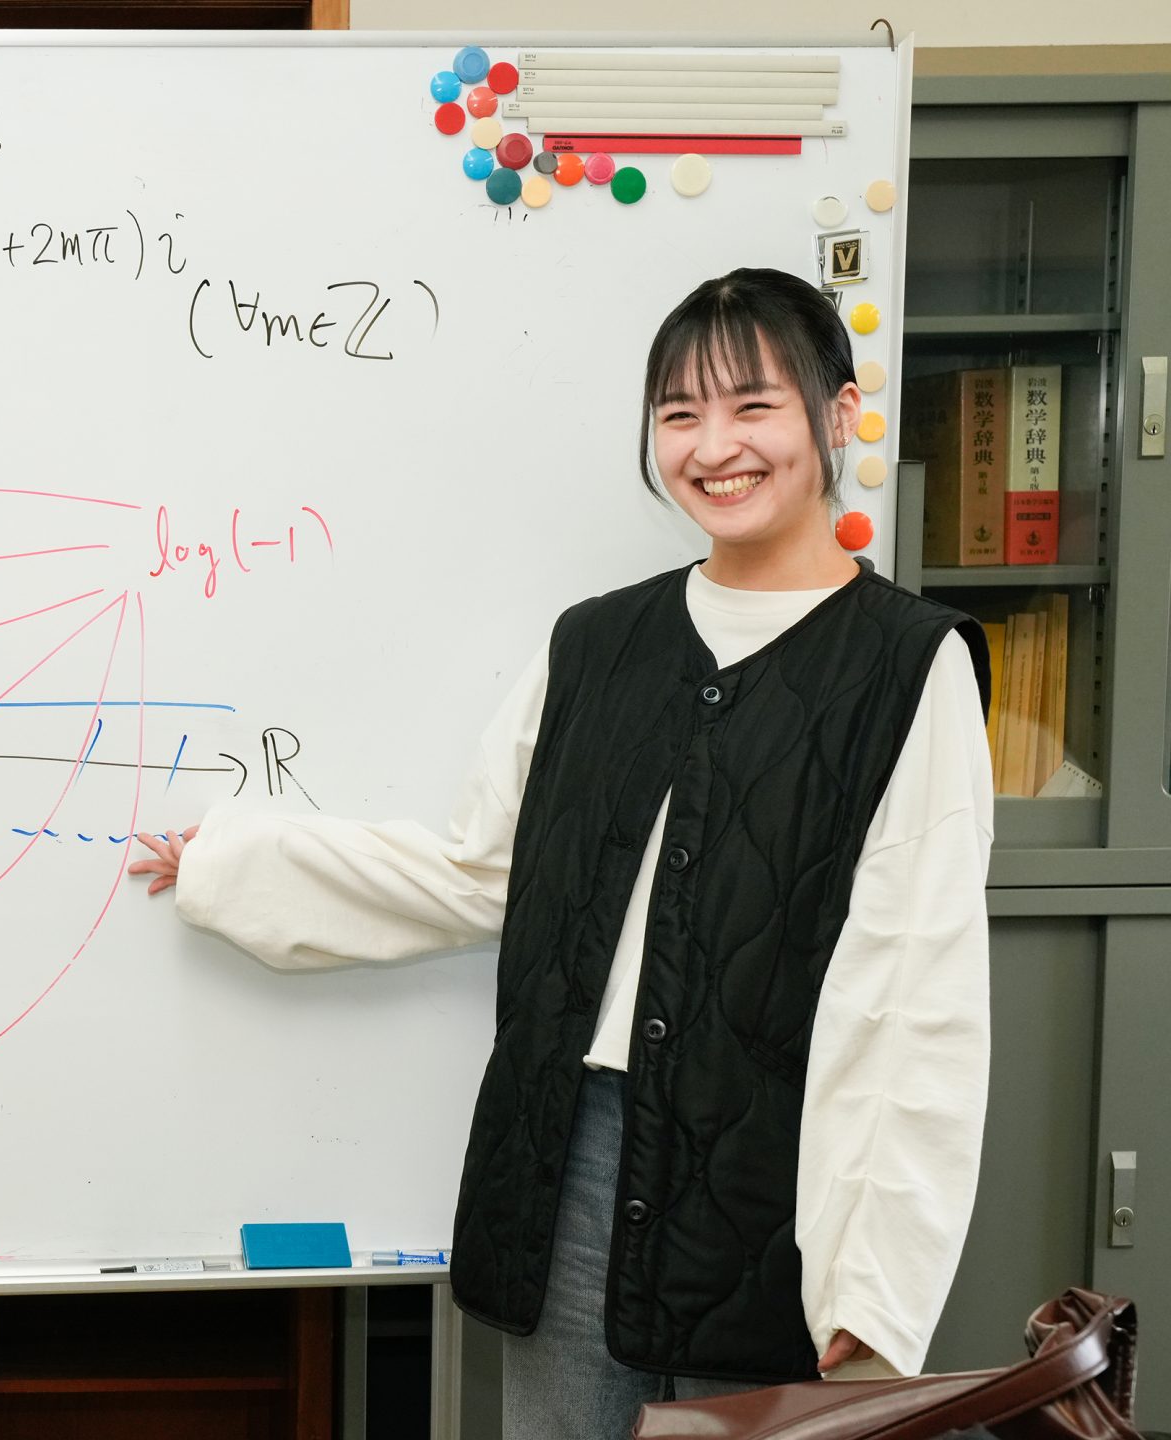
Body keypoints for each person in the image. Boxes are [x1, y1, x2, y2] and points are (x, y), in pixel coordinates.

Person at [130, 269, 993, 1438]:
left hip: (782, 1180)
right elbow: (485, 869)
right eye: (679, 413)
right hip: (573, 1158)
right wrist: (238, 865)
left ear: (837, 416)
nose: (713, 447)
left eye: (753, 406)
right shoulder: (594, 645)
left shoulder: (908, 665)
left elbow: (918, 985)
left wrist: (877, 1277)